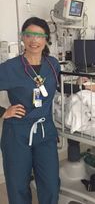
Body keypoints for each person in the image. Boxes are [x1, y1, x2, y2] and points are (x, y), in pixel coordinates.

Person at [0, 17, 60, 204]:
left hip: (45, 131)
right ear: (23, 38)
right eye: (29, 35)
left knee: (50, 183)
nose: (34, 40)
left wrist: (85, 86)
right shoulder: (9, 68)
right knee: (18, 185)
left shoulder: (53, 64)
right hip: (17, 132)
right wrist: (3, 112)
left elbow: (57, 86)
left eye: (39, 35)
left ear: (46, 39)